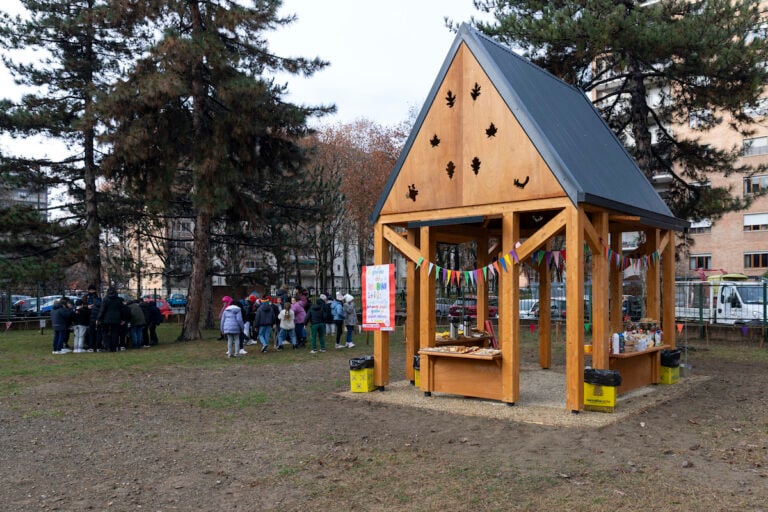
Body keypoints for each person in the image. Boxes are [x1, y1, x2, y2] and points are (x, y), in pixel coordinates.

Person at [97, 287, 127, 352]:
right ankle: (114, 348)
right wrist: (123, 319)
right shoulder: (119, 300)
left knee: (105, 333)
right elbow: (122, 310)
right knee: (115, 333)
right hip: (116, 319)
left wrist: (99, 318)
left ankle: (107, 347)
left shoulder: (105, 299)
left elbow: (102, 310)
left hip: (106, 319)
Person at [84, 284, 102, 351]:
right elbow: (82, 304)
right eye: (90, 290)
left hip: (94, 315)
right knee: (90, 332)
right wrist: (87, 306)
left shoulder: (97, 296)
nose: (92, 291)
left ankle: (95, 345)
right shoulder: (86, 297)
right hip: (88, 315)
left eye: (93, 290)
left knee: (96, 331)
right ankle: (90, 344)